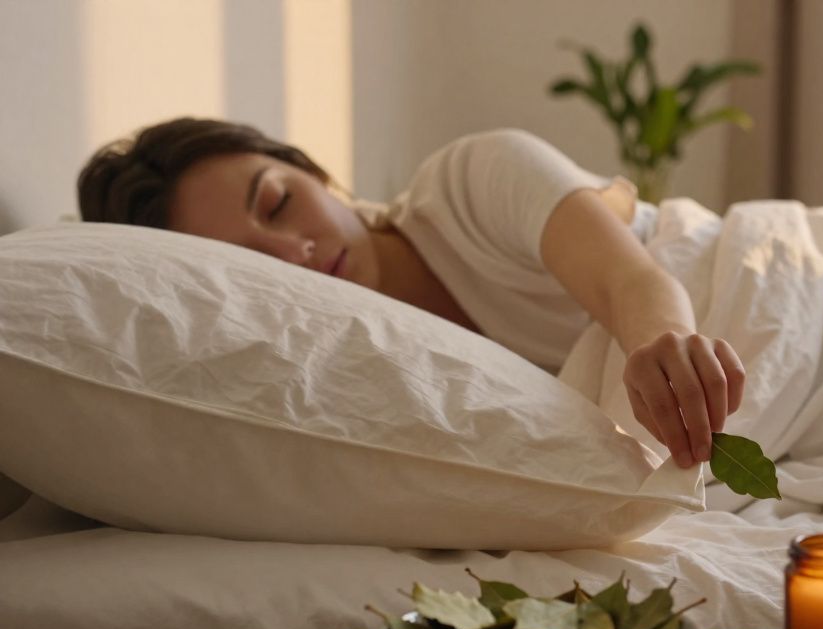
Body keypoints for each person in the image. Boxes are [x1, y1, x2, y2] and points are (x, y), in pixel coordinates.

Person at [77, 117, 744, 470]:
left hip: (766, 283)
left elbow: (630, 280)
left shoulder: (474, 178)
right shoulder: (347, 370)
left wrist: (664, 346)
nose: (293, 251)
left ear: (313, 171)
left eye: (279, 203)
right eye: (249, 262)